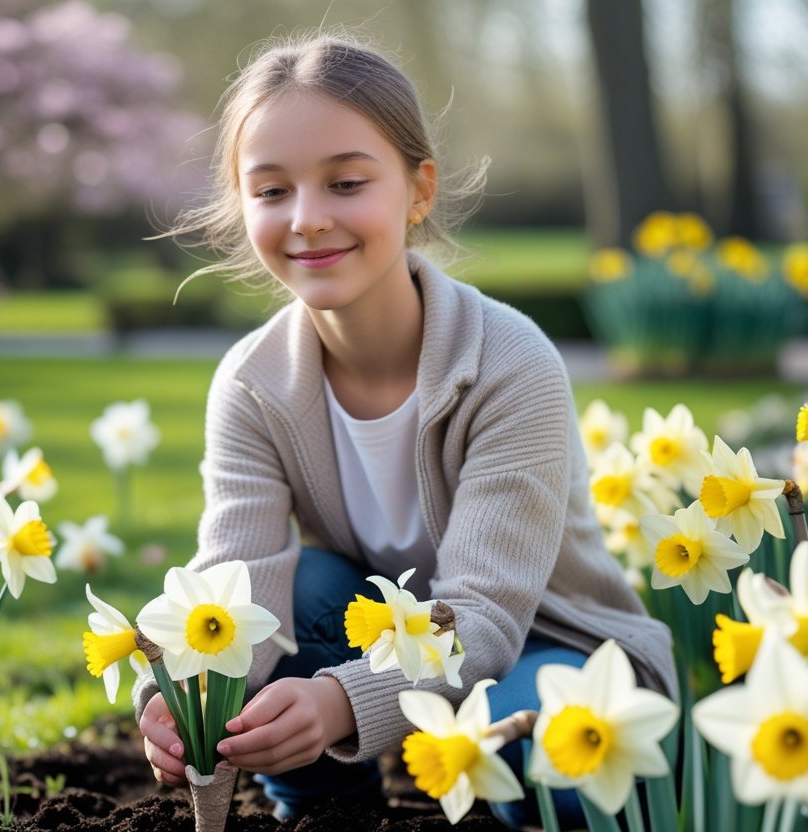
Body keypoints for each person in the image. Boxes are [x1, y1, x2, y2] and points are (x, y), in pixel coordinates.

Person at [134, 30, 678, 827]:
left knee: (559, 761)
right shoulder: (252, 383)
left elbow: (485, 617)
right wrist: (177, 696)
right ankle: (326, 809)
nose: (307, 219)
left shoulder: (508, 362)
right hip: (382, 643)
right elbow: (231, 584)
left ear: (419, 190)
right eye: (272, 190)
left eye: (346, 183)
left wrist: (337, 700)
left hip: (550, 650)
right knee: (291, 594)